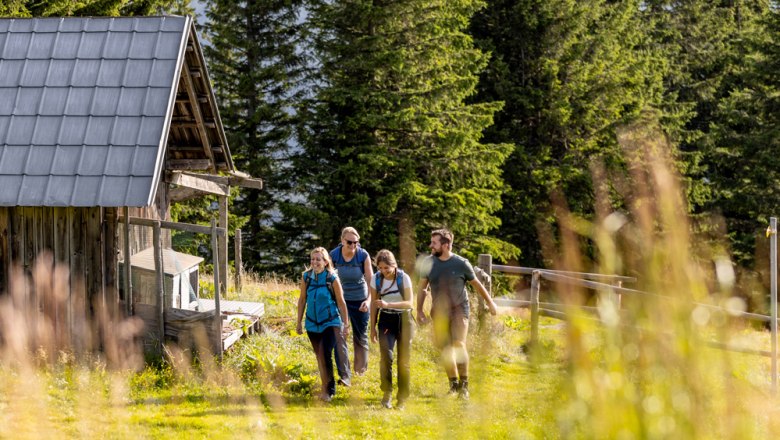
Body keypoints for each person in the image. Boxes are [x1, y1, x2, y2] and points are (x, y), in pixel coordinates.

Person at [416, 228, 497, 400]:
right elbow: (422, 287)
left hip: (460, 308)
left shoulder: (462, 263)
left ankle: (465, 387)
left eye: (434, 243)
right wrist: (419, 310)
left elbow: (477, 285)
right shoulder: (428, 263)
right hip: (439, 311)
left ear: (445, 245)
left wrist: (490, 303)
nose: (431, 246)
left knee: (459, 344)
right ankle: (453, 385)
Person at [296, 247, 350, 402]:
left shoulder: (332, 278)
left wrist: (346, 324)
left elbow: (341, 302)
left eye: (318, 259)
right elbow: (302, 300)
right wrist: (298, 322)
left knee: (325, 353)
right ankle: (326, 385)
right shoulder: (306, 277)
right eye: (313, 259)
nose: (315, 262)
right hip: (312, 324)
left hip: (331, 322)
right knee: (320, 356)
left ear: (326, 262)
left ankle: (328, 390)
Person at [369, 249, 414, 409]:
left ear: (394, 265)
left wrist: (389, 304)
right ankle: (387, 392)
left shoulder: (404, 278)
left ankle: (402, 398)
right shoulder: (376, 279)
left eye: (386, 268)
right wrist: (372, 327)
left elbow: (409, 303)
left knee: (403, 361)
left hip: (404, 320)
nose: (384, 272)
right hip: (386, 320)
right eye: (380, 268)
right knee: (386, 358)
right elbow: (374, 304)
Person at [329, 227, 373, 381]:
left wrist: (368, 301)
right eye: (349, 242)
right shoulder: (334, 256)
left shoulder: (363, 255)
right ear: (342, 241)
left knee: (360, 336)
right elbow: (328, 279)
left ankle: (360, 371)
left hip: (360, 300)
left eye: (356, 242)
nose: (353, 245)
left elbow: (370, 281)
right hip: (341, 301)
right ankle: (345, 374)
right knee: (340, 335)